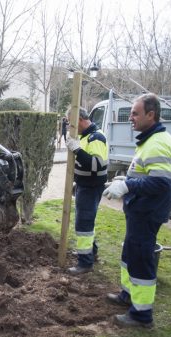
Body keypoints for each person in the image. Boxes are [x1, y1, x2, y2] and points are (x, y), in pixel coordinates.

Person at [103, 93, 171, 328]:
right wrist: (128, 178)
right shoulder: (150, 140)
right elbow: (150, 174)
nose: (130, 118)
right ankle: (128, 295)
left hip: (147, 212)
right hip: (140, 211)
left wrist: (127, 185)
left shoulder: (158, 143)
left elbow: (160, 183)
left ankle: (141, 315)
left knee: (141, 259)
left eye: (135, 113)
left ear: (151, 115)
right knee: (130, 254)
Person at [65, 107, 108, 275]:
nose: (70, 127)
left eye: (71, 123)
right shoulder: (86, 136)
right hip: (85, 186)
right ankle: (91, 252)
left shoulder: (96, 137)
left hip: (91, 187)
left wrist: (77, 150)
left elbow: (96, 166)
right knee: (86, 222)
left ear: (81, 120)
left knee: (83, 224)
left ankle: (85, 263)